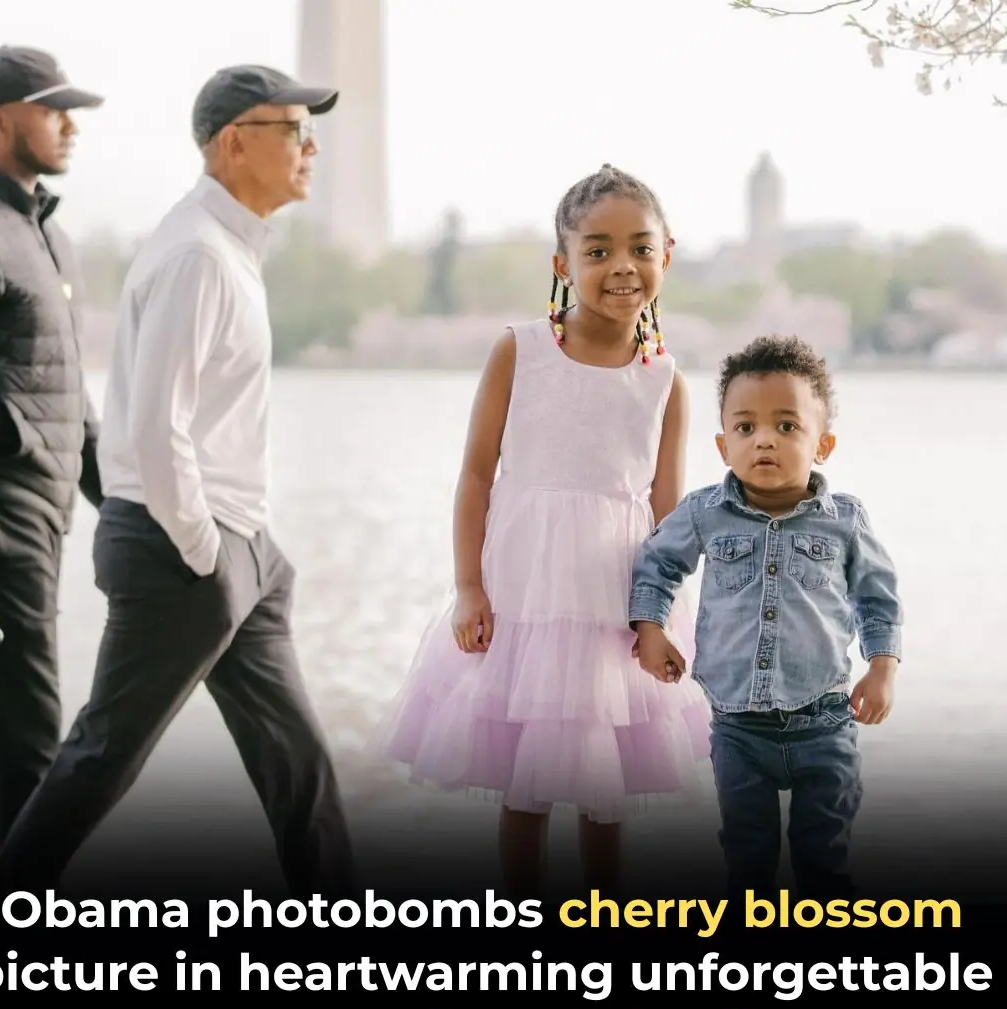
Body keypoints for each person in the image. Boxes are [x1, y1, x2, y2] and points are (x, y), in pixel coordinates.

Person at [0, 65, 357, 902]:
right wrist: (205, 552)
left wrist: (245, 552)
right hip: (186, 549)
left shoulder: (226, 248)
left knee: (298, 764)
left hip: (240, 550)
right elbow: (154, 429)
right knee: (98, 761)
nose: (311, 146)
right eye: (293, 130)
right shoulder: (196, 256)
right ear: (233, 143)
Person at [371, 164, 712, 898]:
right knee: (522, 792)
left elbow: (667, 514)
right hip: (524, 598)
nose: (620, 265)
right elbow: (474, 477)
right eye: (597, 250)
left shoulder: (665, 380)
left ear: (666, 256)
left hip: (614, 605)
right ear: (563, 264)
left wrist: (656, 621)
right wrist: (468, 588)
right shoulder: (519, 351)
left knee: (605, 790)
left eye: (639, 248)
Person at [628, 334, 902, 901]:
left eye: (786, 426)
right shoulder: (705, 514)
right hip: (736, 727)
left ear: (822, 444)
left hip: (824, 722)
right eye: (745, 427)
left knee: (823, 857)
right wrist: (650, 630)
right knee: (748, 859)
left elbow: (878, 598)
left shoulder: (845, 522)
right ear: (723, 444)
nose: (764, 442)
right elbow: (656, 565)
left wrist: (882, 668)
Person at [0, 46, 105, 847]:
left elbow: (70, 400)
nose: (70, 126)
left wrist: (130, 505)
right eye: (53, 109)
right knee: (32, 751)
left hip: (34, 525)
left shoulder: (42, 235)